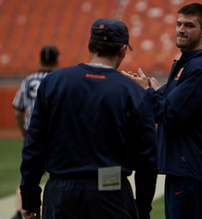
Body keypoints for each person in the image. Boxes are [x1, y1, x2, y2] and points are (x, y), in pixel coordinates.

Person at [20, 18, 158, 219]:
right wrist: (143, 209)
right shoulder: (133, 92)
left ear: (90, 45)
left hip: (61, 192)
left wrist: (30, 197)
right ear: (122, 49)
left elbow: (34, 146)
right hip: (112, 192)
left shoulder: (54, 82)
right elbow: (147, 160)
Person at [122, 3, 202, 219]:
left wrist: (146, 92)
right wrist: (153, 90)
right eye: (179, 24)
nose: (180, 30)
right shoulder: (188, 63)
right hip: (183, 168)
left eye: (189, 25)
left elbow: (172, 113)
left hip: (193, 171)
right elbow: (171, 102)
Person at [11, 44, 60, 219]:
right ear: (57, 60)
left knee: (29, 175)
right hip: (55, 137)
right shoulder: (59, 80)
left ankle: (20, 211)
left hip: (34, 136)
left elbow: (18, 110)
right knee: (59, 176)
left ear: (40, 59)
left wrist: (24, 132)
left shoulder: (29, 80)